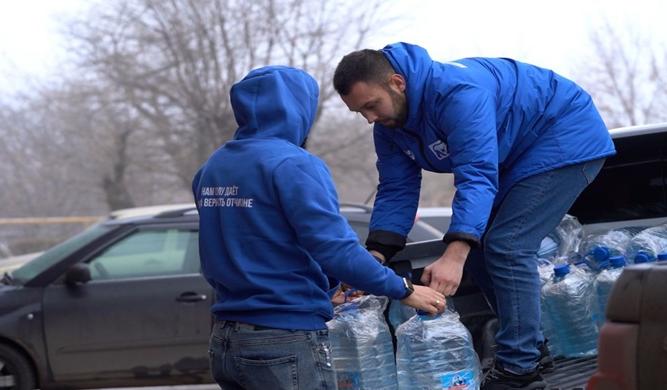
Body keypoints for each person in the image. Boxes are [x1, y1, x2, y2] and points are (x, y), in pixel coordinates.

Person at [333, 43, 615, 390]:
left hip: (563, 136)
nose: (369, 119)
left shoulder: (457, 95)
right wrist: (376, 255)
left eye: (371, 105)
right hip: (512, 156)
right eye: (359, 112)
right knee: (481, 249)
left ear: (397, 83)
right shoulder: (389, 128)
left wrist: (455, 252)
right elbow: (396, 188)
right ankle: (530, 346)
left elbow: (477, 174)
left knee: (507, 245)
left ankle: (519, 370)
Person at [192, 65, 446, 390]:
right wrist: (404, 290)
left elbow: (258, 242)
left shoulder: (213, 167)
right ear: (299, 107)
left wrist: (327, 290)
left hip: (226, 341)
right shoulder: (294, 163)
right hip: (284, 340)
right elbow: (333, 247)